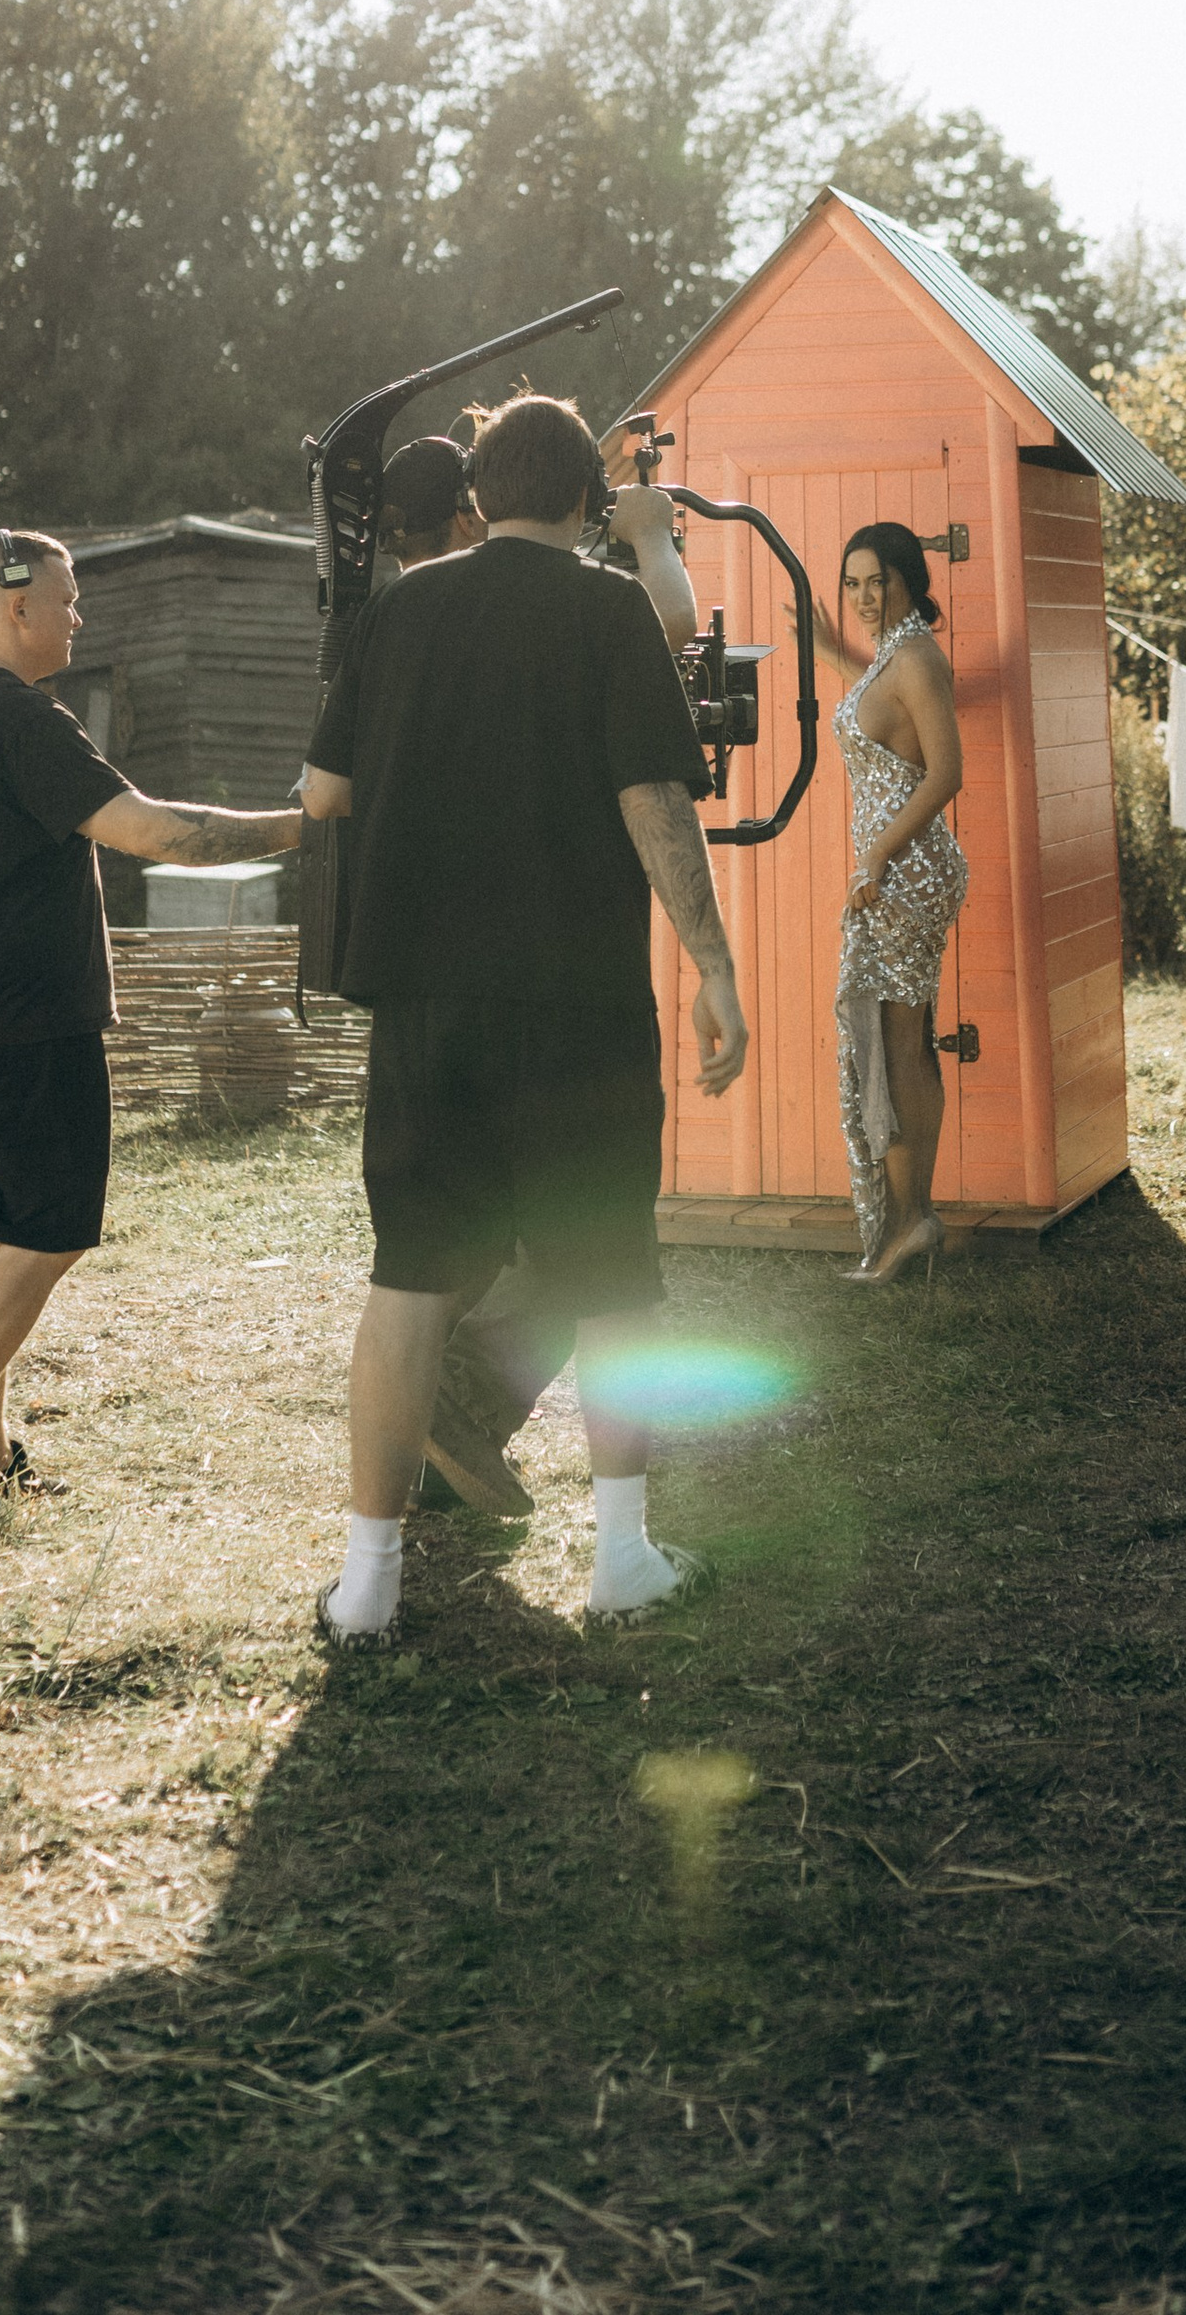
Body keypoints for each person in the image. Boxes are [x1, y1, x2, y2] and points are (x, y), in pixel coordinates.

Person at [299, 392, 749, 1645]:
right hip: (579, 1004)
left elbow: (323, 791)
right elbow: (655, 800)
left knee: (409, 1278)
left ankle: (369, 1585)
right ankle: (620, 1561)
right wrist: (713, 967)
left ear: (481, 496)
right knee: (609, 1283)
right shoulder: (610, 608)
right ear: (583, 504)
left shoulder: (395, 610)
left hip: (426, 1004)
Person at [0, 525, 304, 1528]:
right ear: (16, 607)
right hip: (26, 1023)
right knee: (49, 1229)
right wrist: (300, 825)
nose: (79, 616)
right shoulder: (22, 717)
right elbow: (153, 832)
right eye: (66, 600)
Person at [379, 423, 708, 1520]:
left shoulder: (405, 610)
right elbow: (668, 625)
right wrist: (651, 534)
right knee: (584, 1235)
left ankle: (419, 1478)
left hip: (428, 978)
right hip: (562, 975)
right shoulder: (586, 602)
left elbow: (328, 790)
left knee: (449, 1250)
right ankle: (476, 1411)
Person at [816, 522, 966, 1284]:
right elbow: (884, 709)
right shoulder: (892, 657)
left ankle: (912, 1221)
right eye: (852, 583)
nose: (864, 596)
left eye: (877, 581)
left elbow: (945, 774)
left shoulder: (915, 659)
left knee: (893, 1048)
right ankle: (914, 1218)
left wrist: (876, 852)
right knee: (898, 1043)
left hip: (902, 875)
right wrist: (832, 649)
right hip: (893, 876)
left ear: (908, 579)